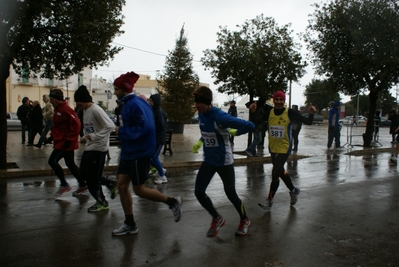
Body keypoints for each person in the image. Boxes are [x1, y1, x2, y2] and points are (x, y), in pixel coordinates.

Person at [111, 71, 182, 236]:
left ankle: (173, 202)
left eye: (116, 89)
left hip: (139, 153)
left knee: (139, 190)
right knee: (121, 185)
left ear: (124, 89)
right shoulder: (127, 104)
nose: (114, 91)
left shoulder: (135, 104)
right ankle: (130, 224)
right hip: (128, 152)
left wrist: (121, 132)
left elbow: (146, 128)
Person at [192, 86, 255, 237]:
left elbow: (249, 125)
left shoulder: (220, 117)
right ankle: (217, 217)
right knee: (199, 191)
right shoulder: (201, 114)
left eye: (198, 103)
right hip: (209, 160)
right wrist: (200, 143)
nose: (196, 106)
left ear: (207, 102)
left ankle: (245, 219)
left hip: (224, 161)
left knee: (230, 193)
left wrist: (235, 132)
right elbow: (208, 133)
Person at [258, 90, 316, 211]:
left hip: (285, 148)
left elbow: (308, 122)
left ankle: (269, 200)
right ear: (274, 101)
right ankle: (293, 190)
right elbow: (255, 122)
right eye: (277, 99)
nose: (279, 102)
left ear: (284, 101)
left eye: (281, 100)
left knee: (275, 173)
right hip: (273, 148)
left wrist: (311, 114)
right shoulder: (269, 113)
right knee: (280, 172)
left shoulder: (289, 112)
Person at [73, 85, 116, 212]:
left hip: (99, 148)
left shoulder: (96, 109)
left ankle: (102, 202)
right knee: (83, 175)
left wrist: (96, 136)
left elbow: (110, 126)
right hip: (89, 147)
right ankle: (110, 184)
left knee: (92, 179)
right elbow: (91, 129)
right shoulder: (85, 111)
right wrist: (85, 138)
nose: (77, 105)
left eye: (78, 102)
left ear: (84, 100)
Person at [47, 89, 86, 196]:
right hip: (60, 141)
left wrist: (69, 140)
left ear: (58, 99)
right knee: (70, 164)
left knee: (52, 161)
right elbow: (58, 127)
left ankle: (64, 184)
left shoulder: (66, 110)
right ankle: (82, 184)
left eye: (52, 99)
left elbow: (77, 125)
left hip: (65, 143)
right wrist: (51, 137)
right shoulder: (58, 109)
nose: (51, 101)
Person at [148, 94, 168, 184]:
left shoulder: (158, 112)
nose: (149, 102)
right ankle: (161, 169)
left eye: (151, 101)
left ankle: (162, 176)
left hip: (158, 139)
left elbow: (160, 126)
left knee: (154, 157)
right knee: (148, 157)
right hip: (155, 138)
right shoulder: (155, 110)